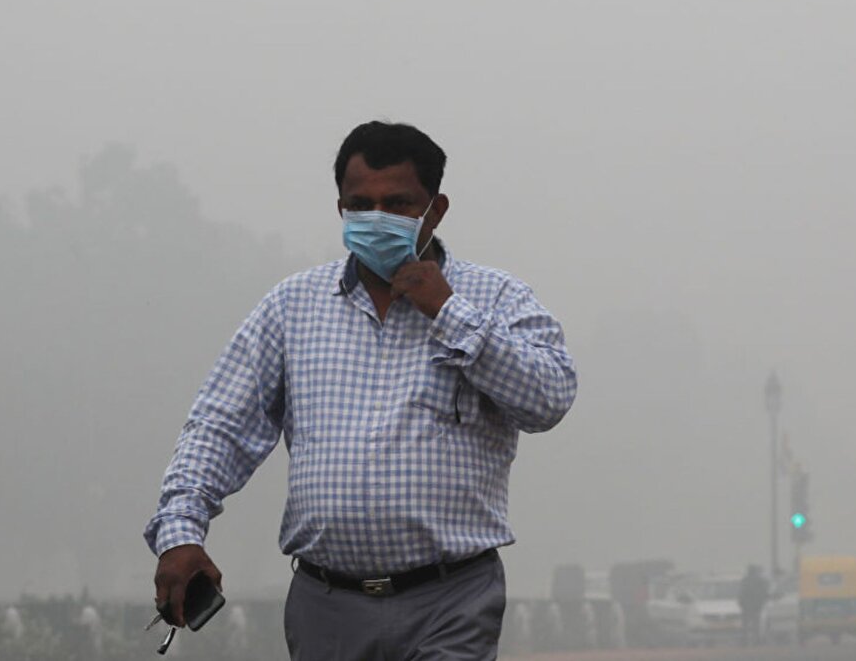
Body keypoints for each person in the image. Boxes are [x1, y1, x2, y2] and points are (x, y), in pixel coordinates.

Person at [144, 121, 578, 660]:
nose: (377, 219)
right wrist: (181, 531)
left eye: (397, 204)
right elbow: (219, 428)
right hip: (327, 600)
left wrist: (450, 313)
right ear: (340, 209)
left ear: (434, 210)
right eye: (360, 205)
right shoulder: (293, 307)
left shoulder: (495, 298)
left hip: (450, 597)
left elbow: (549, 398)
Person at [738, 564, 770, 646]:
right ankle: (756, 641)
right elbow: (764, 593)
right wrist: (762, 602)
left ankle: (744, 641)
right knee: (756, 625)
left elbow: (741, 594)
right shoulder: (760, 581)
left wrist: (741, 604)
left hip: (746, 607)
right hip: (757, 607)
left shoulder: (745, 580)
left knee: (745, 626)